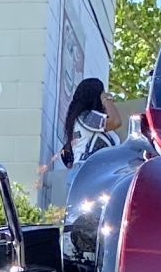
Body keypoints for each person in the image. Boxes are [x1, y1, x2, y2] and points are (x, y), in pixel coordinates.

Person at [39, 76, 118, 207]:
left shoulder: (89, 121)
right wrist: (107, 100)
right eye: (101, 93)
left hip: (98, 174)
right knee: (87, 221)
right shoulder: (86, 117)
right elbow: (116, 121)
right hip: (88, 172)